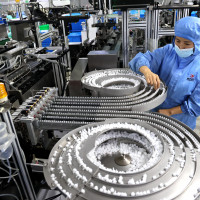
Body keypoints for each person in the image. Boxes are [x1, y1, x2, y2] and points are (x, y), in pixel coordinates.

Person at [129, 16, 200, 130]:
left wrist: (169, 112)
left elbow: (196, 105)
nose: (180, 46)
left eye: (187, 44)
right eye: (177, 41)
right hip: (154, 114)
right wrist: (146, 71)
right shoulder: (168, 51)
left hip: (180, 122)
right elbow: (141, 59)